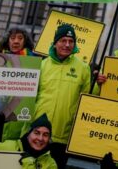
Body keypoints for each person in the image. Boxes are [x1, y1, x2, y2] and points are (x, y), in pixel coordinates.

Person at [32, 24, 91, 169]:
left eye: (71, 41)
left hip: (63, 136)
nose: (67, 45)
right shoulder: (41, 65)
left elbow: (87, 99)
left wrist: (99, 84)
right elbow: (31, 98)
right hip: (38, 133)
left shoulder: (83, 68)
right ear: (55, 43)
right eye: (63, 40)